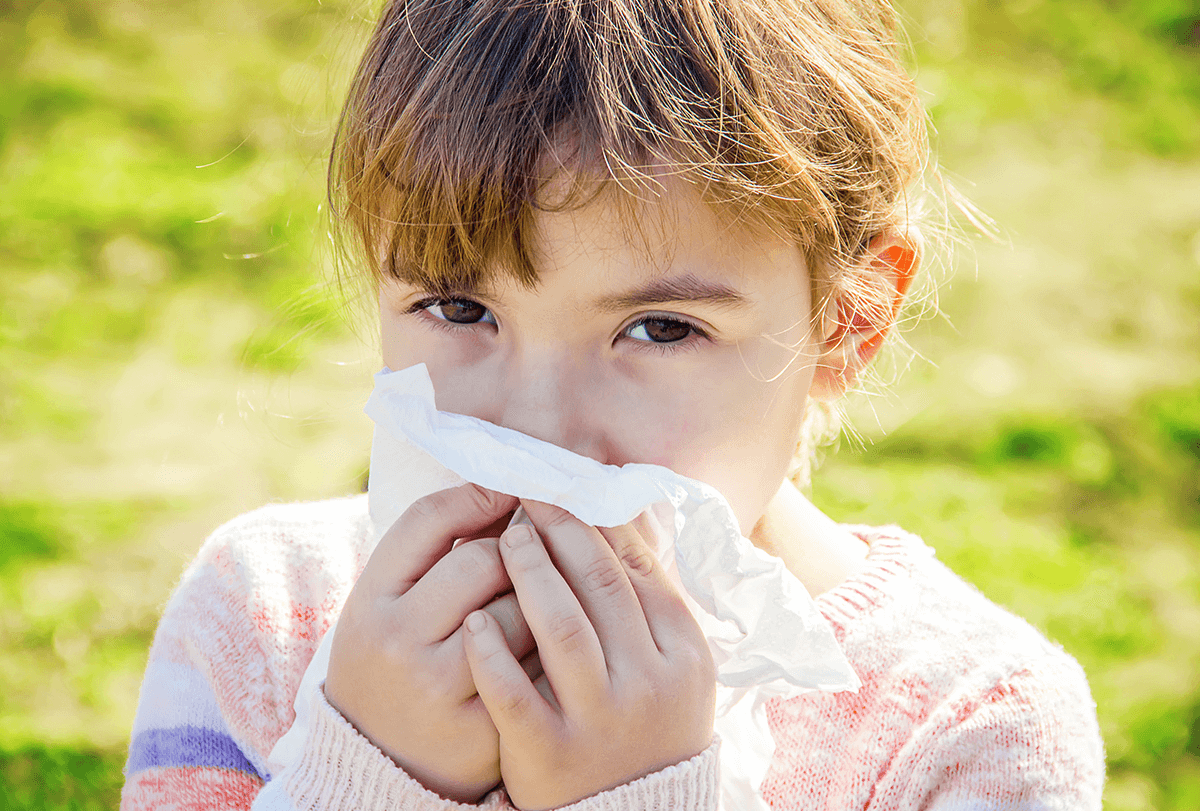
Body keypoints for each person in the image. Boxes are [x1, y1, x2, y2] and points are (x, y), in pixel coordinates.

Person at [120, 0, 1106, 808]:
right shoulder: (268, 616)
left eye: (662, 328)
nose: (538, 431)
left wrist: (647, 793)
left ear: (850, 323)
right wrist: (368, 772)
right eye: (458, 307)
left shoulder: (967, 724)